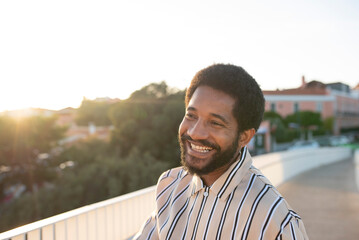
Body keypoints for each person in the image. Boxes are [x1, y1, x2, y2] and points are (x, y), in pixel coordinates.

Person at [134, 64, 308, 240]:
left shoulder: (273, 221)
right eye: (191, 116)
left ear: (244, 137)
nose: (194, 132)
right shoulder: (170, 186)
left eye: (215, 123)